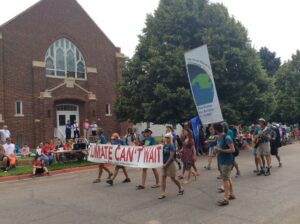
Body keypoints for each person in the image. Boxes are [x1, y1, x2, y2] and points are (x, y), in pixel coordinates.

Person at [213, 123, 236, 206]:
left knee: (225, 179)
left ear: (216, 130)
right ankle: (231, 194)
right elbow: (219, 148)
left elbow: (232, 150)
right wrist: (216, 150)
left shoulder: (227, 137)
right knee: (228, 178)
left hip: (227, 161)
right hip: (222, 160)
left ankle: (226, 198)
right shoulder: (219, 138)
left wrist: (220, 150)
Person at [158, 133, 184, 199]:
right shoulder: (164, 145)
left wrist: (166, 164)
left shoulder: (171, 146)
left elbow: (171, 156)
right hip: (164, 164)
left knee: (173, 178)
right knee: (163, 178)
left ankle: (180, 187)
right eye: (166, 137)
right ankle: (163, 193)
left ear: (170, 138)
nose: (166, 139)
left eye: (168, 137)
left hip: (170, 164)